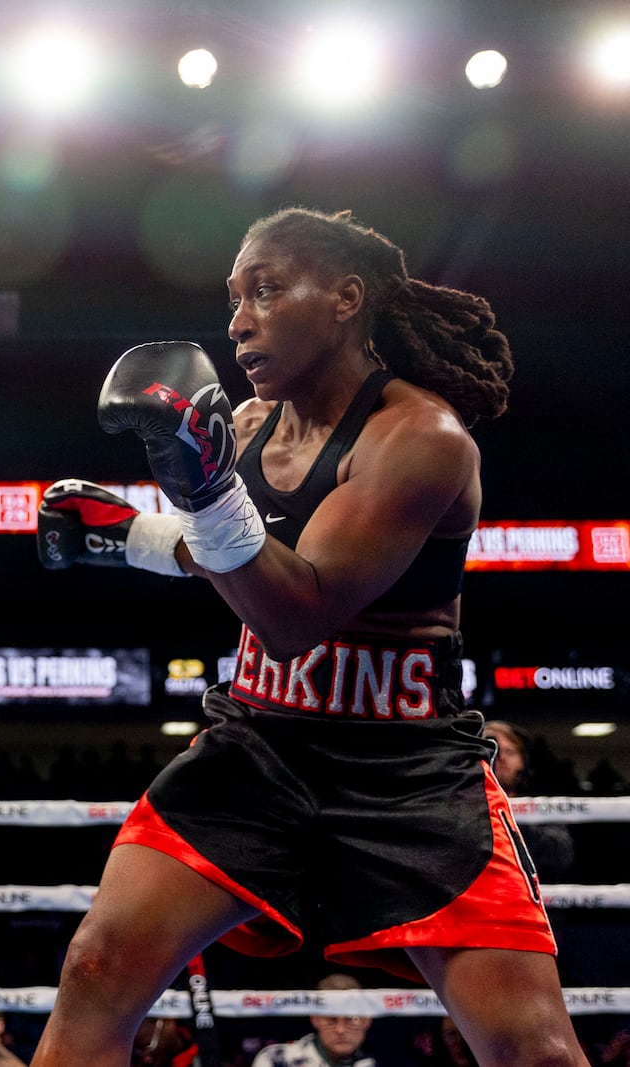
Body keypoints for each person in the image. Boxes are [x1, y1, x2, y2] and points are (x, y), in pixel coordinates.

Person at [30, 206, 589, 1067]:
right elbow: (240, 558)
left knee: (533, 1049)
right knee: (96, 970)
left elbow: (296, 611)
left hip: (407, 770)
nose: (238, 320)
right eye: (233, 298)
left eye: (266, 289)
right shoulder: (249, 429)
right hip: (260, 742)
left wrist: (206, 491)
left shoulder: (423, 439)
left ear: (344, 299)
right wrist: (131, 537)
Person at [481, 719, 576, 881]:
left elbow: (561, 854)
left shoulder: (539, 803)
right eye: (492, 750)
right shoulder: (458, 803)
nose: (501, 758)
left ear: (523, 761)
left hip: (526, 894)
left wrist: (511, 820)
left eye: (509, 751)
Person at [249, 974, 375, 1067]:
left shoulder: (369, 1063)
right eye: (331, 1020)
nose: (340, 1029)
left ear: (367, 1020)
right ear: (315, 1019)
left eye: (351, 1019)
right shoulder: (276, 1059)